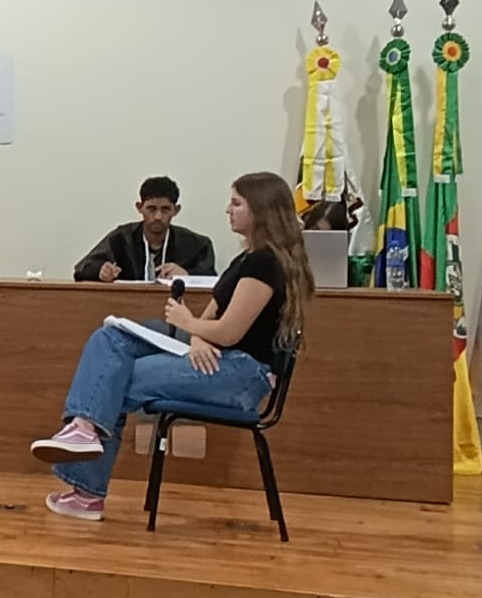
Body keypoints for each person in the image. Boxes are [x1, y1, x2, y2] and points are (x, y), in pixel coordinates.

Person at [30, 171, 314, 521]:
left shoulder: (265, 263)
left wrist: (187, 322)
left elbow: (228, 332)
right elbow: (210, 317)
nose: (228, 210)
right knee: (110, 338)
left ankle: (86, 485)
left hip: (240, 375)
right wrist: (196, 338)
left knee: (114, 377)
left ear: (261, 209)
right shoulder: (245, 260)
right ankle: (83, 431)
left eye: (236, 203)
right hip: (219, 359)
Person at [72, 176, 216, 283]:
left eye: (165, 209)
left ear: (176, 210)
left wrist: (187, 275)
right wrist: (100, 271)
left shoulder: (197, 245)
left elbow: (213, 280)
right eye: (151, 209)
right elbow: (81, 269)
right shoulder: (121, 239)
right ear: (139, 207)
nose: (158, 217)